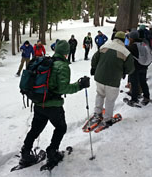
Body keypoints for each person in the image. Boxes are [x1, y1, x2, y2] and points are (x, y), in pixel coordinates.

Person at [19, 40, 90, 168]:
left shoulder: (47, 63)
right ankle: (52, 152)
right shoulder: (62, 66)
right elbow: (63, 89)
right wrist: (80, 85)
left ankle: (25, 152)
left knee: (35, 129)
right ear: (66, 53)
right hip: (53, 106)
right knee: (61, 128)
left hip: (39, 103)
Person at [90, 32, 134, 131]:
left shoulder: (104, 46)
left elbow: (94, 59)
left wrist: (94, 68)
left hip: (99, 78)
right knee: (110, 100)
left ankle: (97, 114)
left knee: (100, 94)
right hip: (113, 80)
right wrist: (123, 72)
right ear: (124, 40)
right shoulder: (126, 52)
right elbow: (130, 68)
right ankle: (107, 119)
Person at [126, 31, 151, 106]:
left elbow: (126, 50)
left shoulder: (133, 46)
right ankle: (147, 97)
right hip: (144, 66)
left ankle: (134, 99)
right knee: (143, 82)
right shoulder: (143, 44)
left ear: (132, 38)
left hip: (136, 67)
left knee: (134, 83)